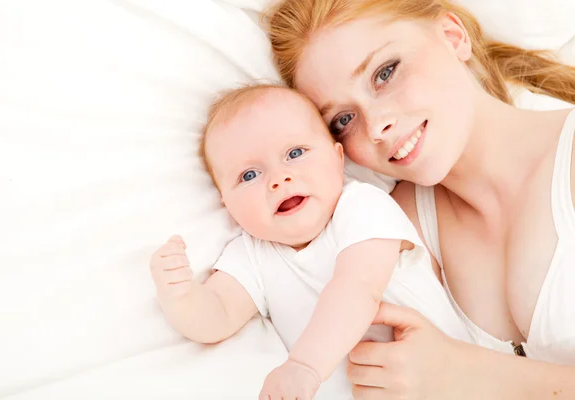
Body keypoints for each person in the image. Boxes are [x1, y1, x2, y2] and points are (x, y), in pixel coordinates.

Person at [266, 0, 575, 398]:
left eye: (385, 73)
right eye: (344, 120)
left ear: (452, 36)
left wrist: (469, 373)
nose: (377, 126)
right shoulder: (394, 229)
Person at [149, 83, 472, 399]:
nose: (279, 179)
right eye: (249, 175)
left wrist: (305, 366)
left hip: (446, 386)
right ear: (225, 201)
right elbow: (217, 319)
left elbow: (358, 287)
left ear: (337, 158)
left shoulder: (361, 207)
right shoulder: (252, 253)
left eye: (295, 153)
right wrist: (180, 295)